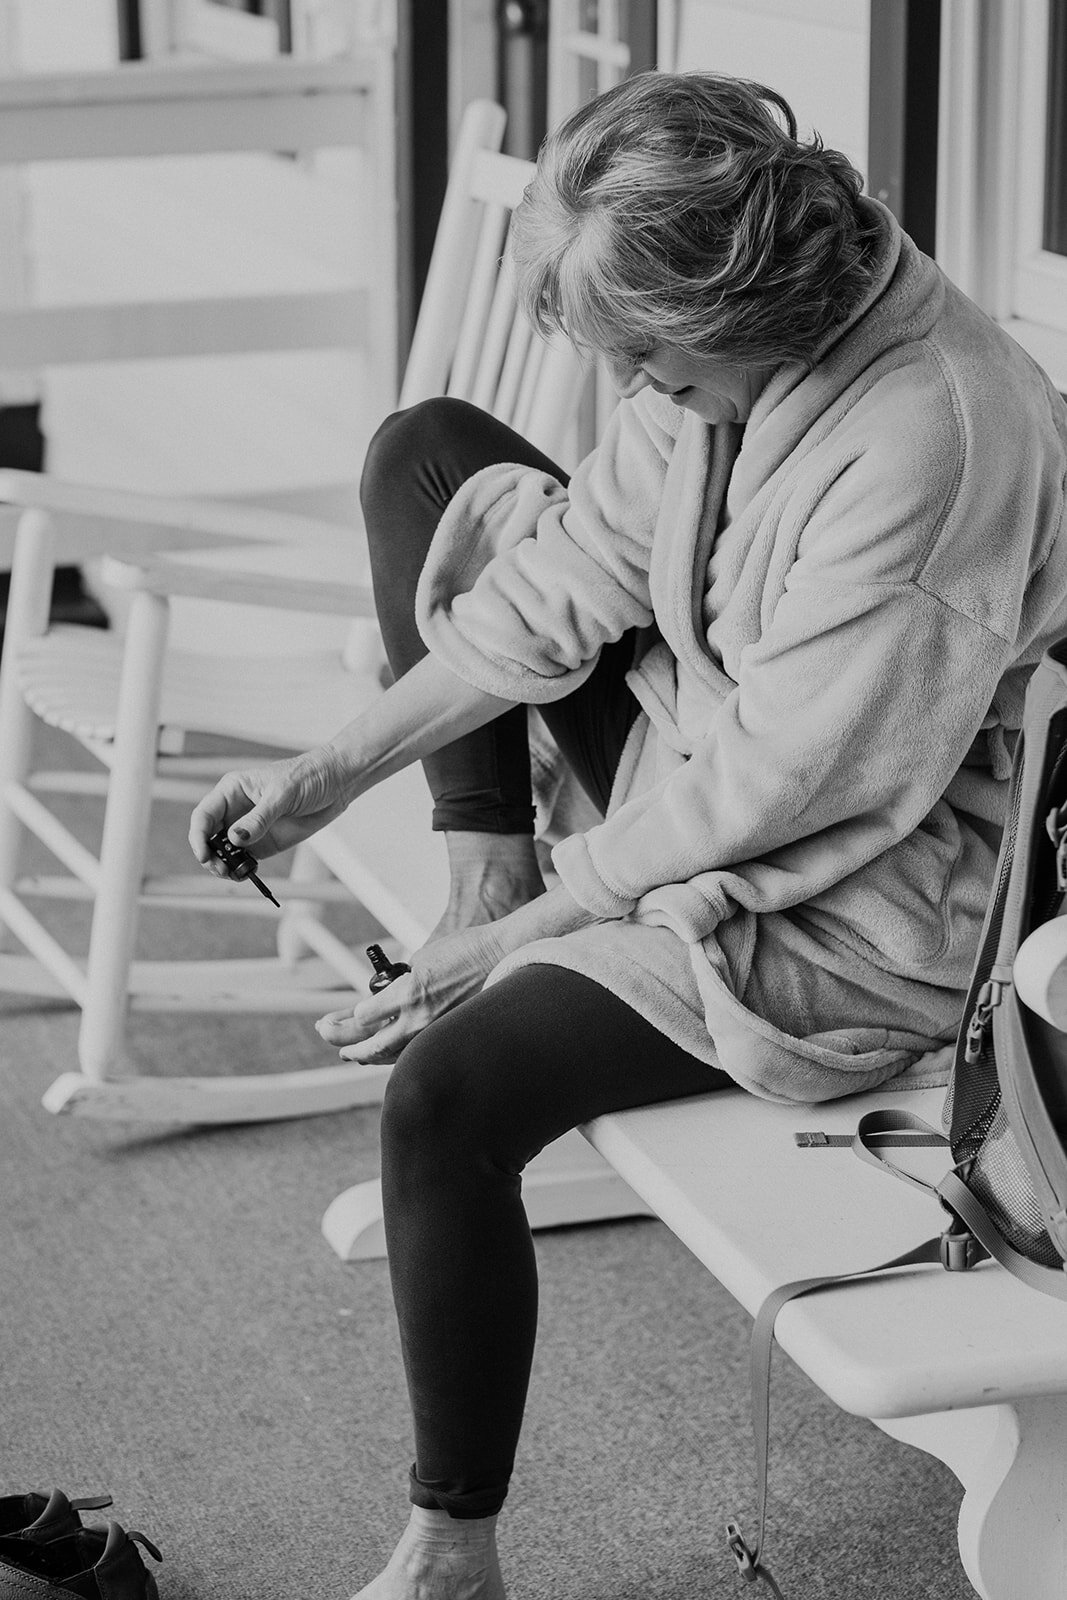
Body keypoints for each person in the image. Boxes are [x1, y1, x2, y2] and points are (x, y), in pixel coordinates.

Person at [189, 71, 1067, 1599]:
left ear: (752, 305)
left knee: (446, 1094)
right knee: (432, 455)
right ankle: (492, 858)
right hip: (716, 739)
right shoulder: (740, 363)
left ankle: (450, 1548)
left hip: (851, 900)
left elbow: (786, 792)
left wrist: (523, 944)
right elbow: (568, 578)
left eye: (653, 366)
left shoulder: (935, 432)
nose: (642, 394)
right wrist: (324, 773)